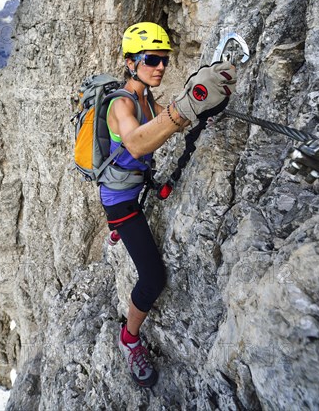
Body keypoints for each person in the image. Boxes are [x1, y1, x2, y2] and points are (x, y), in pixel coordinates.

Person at [99, 22, 236, 387]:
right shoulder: (122, 104)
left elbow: (168, 122)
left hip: (133, 187)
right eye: (152, 59)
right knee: (153, 277)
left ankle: (118, 233)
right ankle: (129, 339)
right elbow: (138, 143)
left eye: (164, 60)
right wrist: (186, 106)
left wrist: (205, 105)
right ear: (131, 63)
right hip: (120, 200)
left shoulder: (145, 99)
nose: (160, 66)